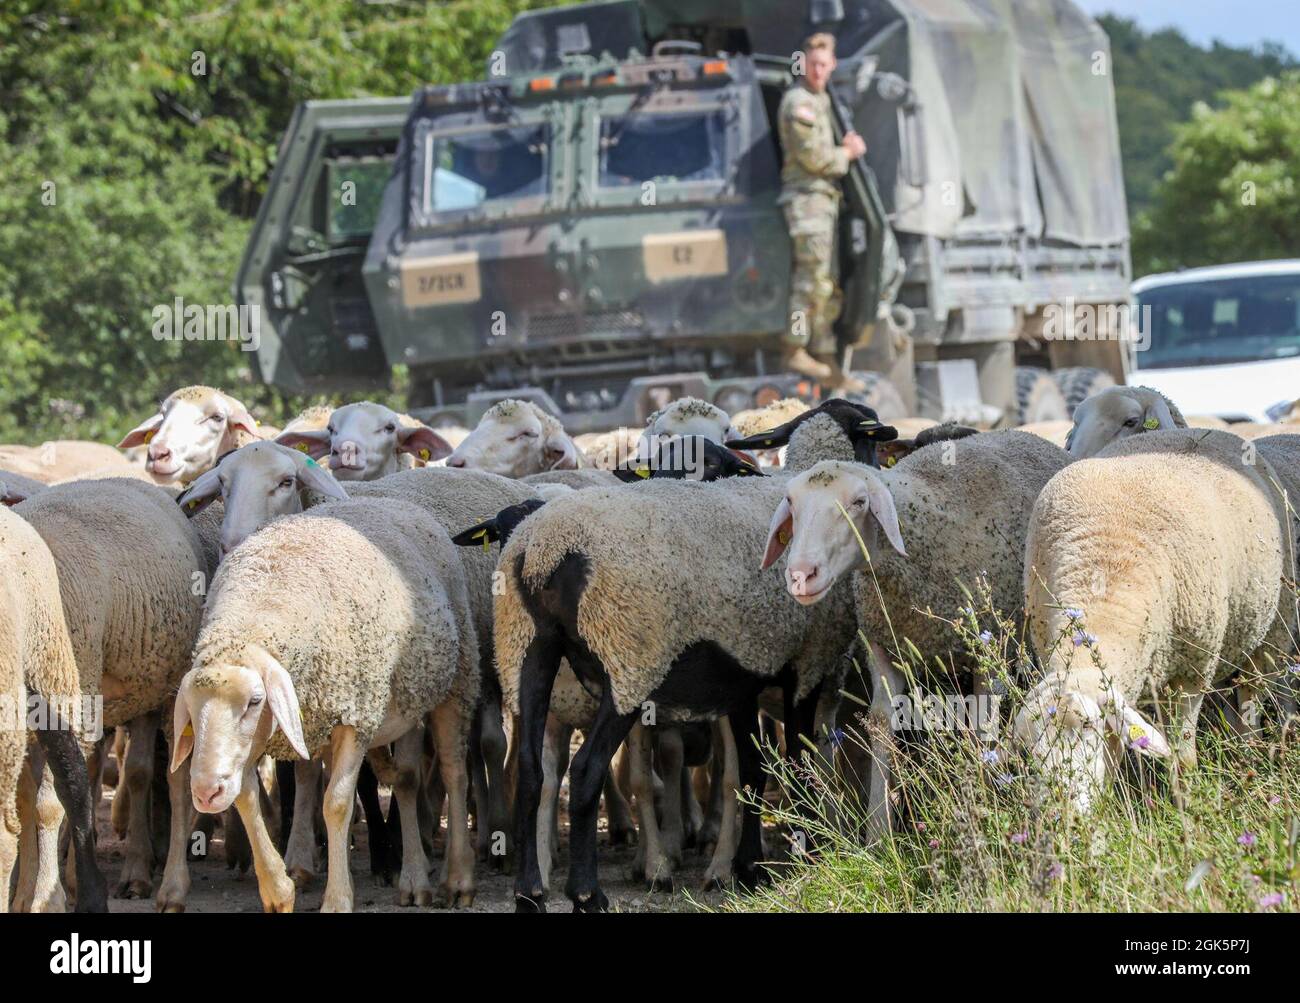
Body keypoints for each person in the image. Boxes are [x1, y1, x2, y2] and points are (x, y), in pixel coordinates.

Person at [777, 32, 867, 392]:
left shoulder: (821, 100)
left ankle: (827, 357)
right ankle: (794, 346)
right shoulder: (799, 103)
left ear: (831, 66)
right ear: (804, 63)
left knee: (826, 285)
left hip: (823, 202)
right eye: (812, 63)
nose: (817, 70)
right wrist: (847, 153)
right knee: (809, 281)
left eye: (823, 64)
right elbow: (813, 158)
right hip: (806, 200)